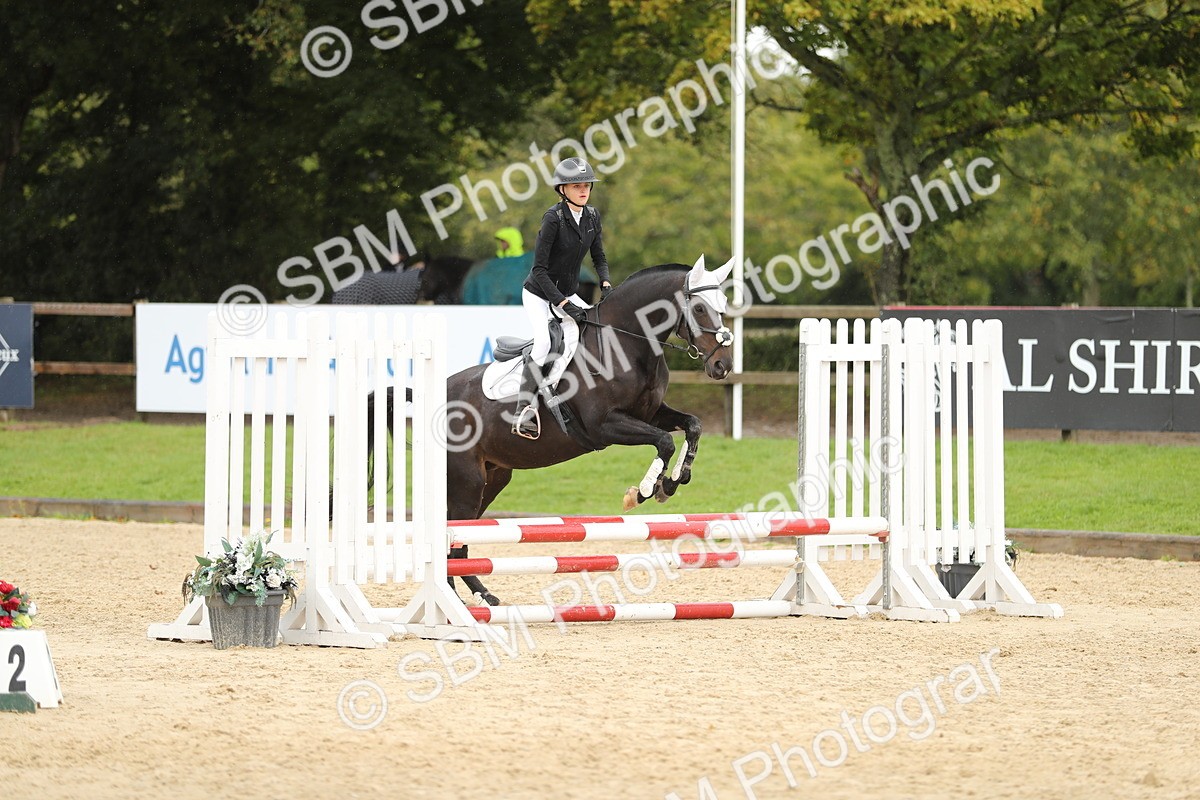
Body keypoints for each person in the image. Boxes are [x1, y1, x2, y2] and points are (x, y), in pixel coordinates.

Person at [513, 157, 614, 439]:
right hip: (538, 294)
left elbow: (599, 256)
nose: (583, 190)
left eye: (586, 185)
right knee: (545, 341)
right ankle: (524, 408)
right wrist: (562, 303)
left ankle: (576, 391)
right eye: (576, 186)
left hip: (567, 293)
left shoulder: (592, 216)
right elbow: (539, 270)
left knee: (596, 327)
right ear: (562, 189)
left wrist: (605, 280)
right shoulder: (553, 219)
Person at [461, 227, 533, 305]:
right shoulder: (495, 263)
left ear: (512, 241)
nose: (502, 244)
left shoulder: (524, 262)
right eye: (501, 241)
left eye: (504, 241)